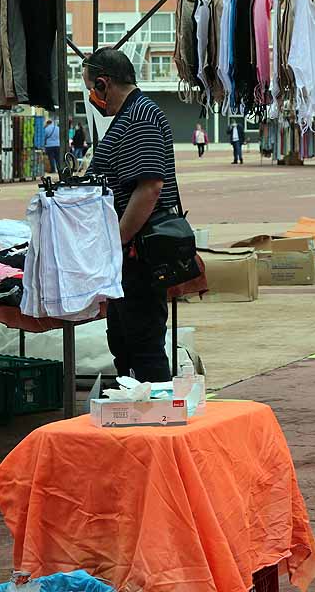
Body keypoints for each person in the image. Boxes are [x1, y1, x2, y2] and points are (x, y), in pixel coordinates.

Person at [83, 47, 181, 382]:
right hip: (128, 254)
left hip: (138, 255)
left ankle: (157, 423)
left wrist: (116, 242)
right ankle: (139, 415)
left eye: (91, 89)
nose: (94, 99)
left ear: (103, 83)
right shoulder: (129, 116)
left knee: (142, 343)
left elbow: (149, 187)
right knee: (125, 340)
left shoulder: (139, 116)